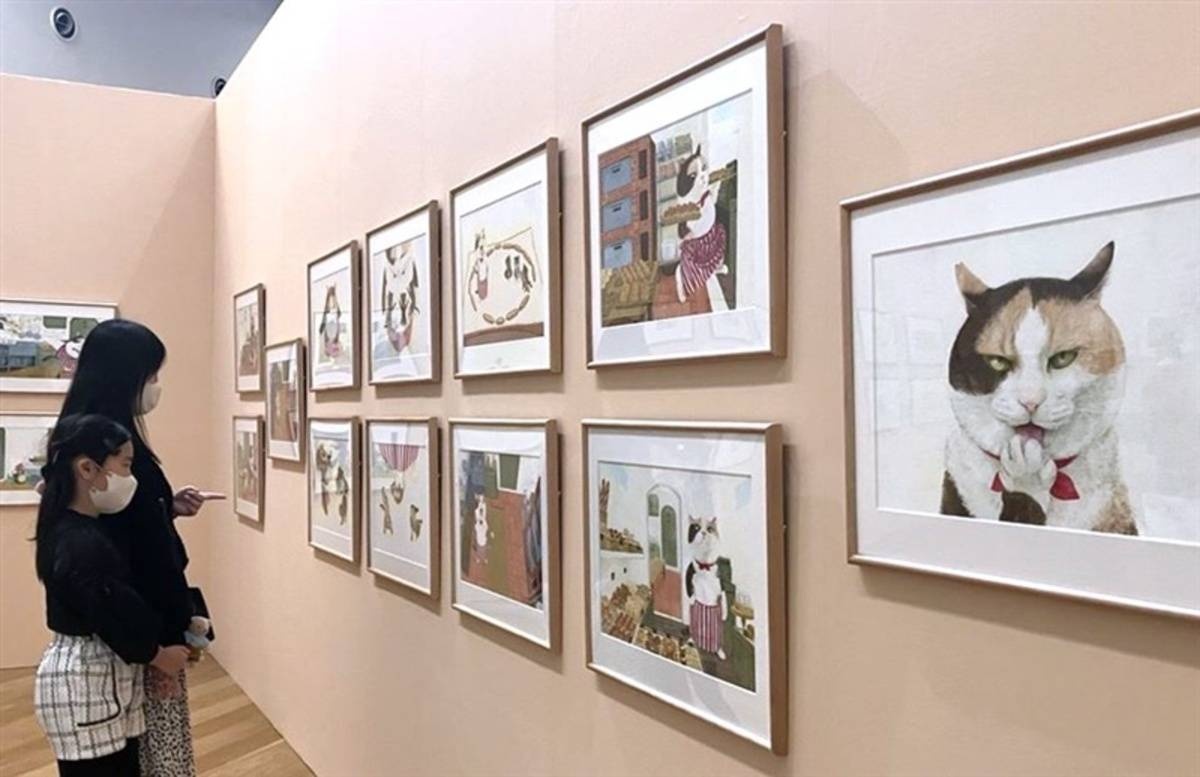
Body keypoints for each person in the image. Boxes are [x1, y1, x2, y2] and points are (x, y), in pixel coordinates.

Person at [58, 319, 218, 777]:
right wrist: (164, 645)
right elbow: (140, 553)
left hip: (130, 631)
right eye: (151, 375)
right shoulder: (105, 442)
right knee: (149, 758)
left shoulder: (85, 436)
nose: (155, 386)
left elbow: (128, 524)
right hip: (135, 632)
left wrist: (166, 506)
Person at [33, 414, 192, 777]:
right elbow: (114, 612)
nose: (130, 478)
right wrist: (159, 655)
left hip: (100, 683)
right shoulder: (80, 543)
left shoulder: (73, 529)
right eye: (125, 465)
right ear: (88, 469)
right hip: (88, 687)